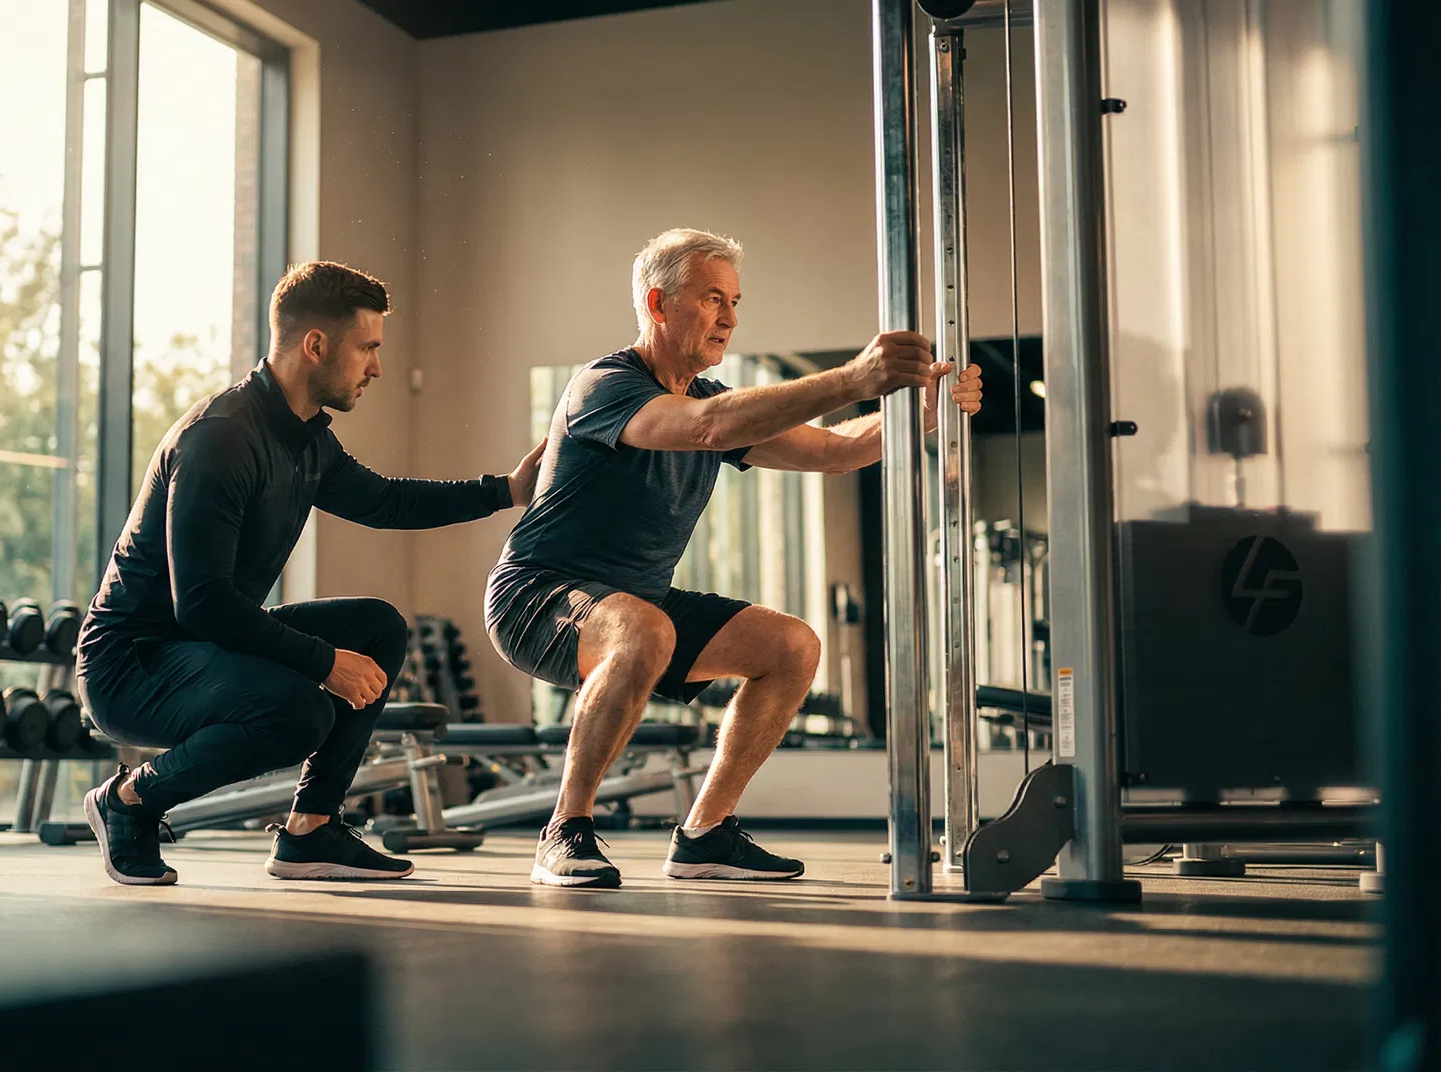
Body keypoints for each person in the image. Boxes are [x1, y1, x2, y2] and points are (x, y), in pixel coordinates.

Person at [486, 228, 983, 889]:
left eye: (736, 301)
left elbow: (833, 453)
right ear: (659, 305)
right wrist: (854, 377)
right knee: (643, 628)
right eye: (713, 298)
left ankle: (706, 835)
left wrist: (925, 413)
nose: (730, 317)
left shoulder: (704, 400)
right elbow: (709, 428)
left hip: (638, 605)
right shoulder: (604, 387)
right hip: (535, 597)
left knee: (790, 645)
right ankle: (564, 832)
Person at [76, 261, 543, 886]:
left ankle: (311, 831)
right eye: (368, 348)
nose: (376, 367)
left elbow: (386, 501)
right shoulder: (220, 439)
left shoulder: (304, 439)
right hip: (131, 665)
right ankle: (128, 802)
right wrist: (324, 662)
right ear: (315, 345)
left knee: (376, 626)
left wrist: (506, 490)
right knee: (299, 712)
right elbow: (203, 603)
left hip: (201, 647)